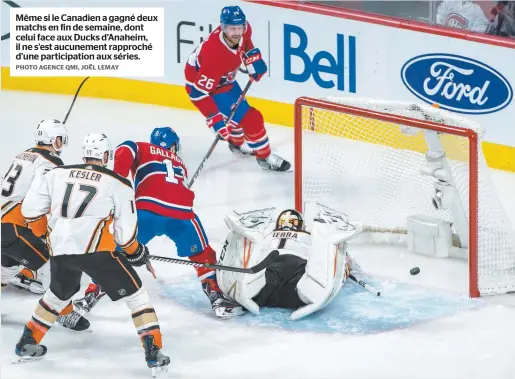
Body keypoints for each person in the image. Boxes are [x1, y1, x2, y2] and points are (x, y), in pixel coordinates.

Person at [16, 133, 170, 377]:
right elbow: (126, 236)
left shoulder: (56, 174)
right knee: (137, 295)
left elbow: (30, 210)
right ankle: (153, 351)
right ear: (106, 156)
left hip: (60, 250)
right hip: (96, 253)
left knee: (57, 295)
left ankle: (27, 341)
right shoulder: (117, 183)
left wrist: (46, 235)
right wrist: (137, 253)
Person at [74, 127, 244, 319]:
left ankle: (91, 295)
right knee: (202, 253)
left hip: (146, 212)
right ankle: (217, 298)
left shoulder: (143, 148)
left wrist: (117, 181)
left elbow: (125, 149)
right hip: (182, 215)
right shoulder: (180, 163)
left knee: (116, 254)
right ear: (173, 146)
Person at [1, 119, 87, 331]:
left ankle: (23, 272)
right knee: (57, 261)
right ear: (54, 140)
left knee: (6, 268)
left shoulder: (23, 154)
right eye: (60, 140)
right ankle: (62, 312)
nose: (61, 144)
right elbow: (43, 199)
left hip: (5, 222)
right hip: (13, 227)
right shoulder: (51, 164)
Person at [184, 5, 291, 172]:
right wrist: (215, 120)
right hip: (207, 89)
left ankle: (236, 144)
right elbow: (197, 94)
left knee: (238, 117)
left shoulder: (244, 30)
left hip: (226, 81)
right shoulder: (214, 56)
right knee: (252, 119)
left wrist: (252, 60)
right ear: (222, 27)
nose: (236, 32)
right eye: (231, 28)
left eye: (239, 27)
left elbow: (246, 43)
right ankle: (265, 158)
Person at [216, 204, 361, 320]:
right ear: (300, 225)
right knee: (313, 283)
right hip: (298, 274)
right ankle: (327, 239)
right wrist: (348, 269)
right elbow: (346, 262)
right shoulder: (308, 235)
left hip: (268, 271)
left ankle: (244, 244)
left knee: (255, 284)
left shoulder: (271, 233)